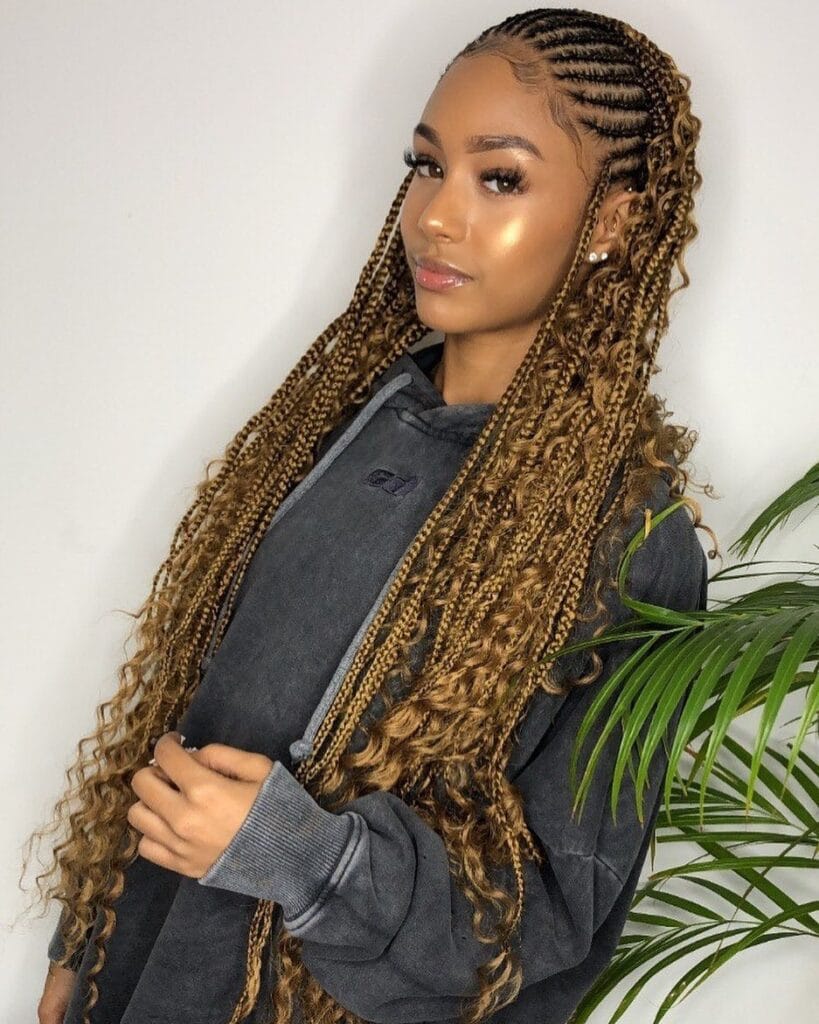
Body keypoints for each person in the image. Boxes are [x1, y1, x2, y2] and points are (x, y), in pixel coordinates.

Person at [33, 7, 714, 1024]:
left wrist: (307, 858)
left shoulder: (627, 538)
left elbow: (559, 914)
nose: (436, 216)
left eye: (500, 178)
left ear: (613, 220)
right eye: (426, 165)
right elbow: (187, 706)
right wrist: (91, 943)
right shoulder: (333, 426)